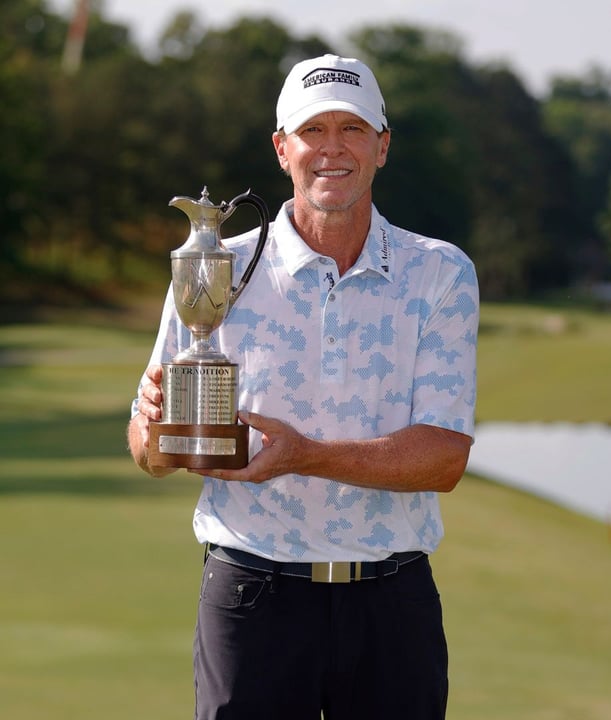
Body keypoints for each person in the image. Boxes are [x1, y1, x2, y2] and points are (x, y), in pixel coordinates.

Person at [127, 54, 478, 719]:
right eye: (314, 130)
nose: (332, 148)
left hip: (391, 604)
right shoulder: (213, 266)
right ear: (282, 148)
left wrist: (305, 454)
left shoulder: (438, 273)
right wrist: (154, 434)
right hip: (250, 598)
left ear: (382, 146)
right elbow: (151, 451)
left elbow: (443, 457)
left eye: (352, 128)